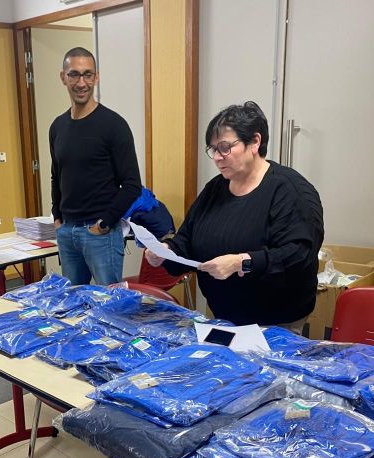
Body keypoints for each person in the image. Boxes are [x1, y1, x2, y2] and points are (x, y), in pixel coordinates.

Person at [147, 101, 324, 333]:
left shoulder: (290, 190)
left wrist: (242, 262)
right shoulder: (214, 189)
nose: (217, 157)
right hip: (223, 316)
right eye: (213, 149)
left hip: (276, 323)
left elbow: (298, 255)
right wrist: (166, 251)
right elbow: (188, 239)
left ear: (255, 142)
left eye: (225, 147)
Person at [50, 46, 141, 285]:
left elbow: (132, 185)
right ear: (63, 77)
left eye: (87, 74)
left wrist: (104, 224)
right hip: (67, 232)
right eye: (74, 74)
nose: (81, 83)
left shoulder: (114, 125)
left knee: (107, 302)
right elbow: (57, 176)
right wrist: (57, 218)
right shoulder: (57, 127)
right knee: (72, 301)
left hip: (100, 234)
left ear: (96, 77)